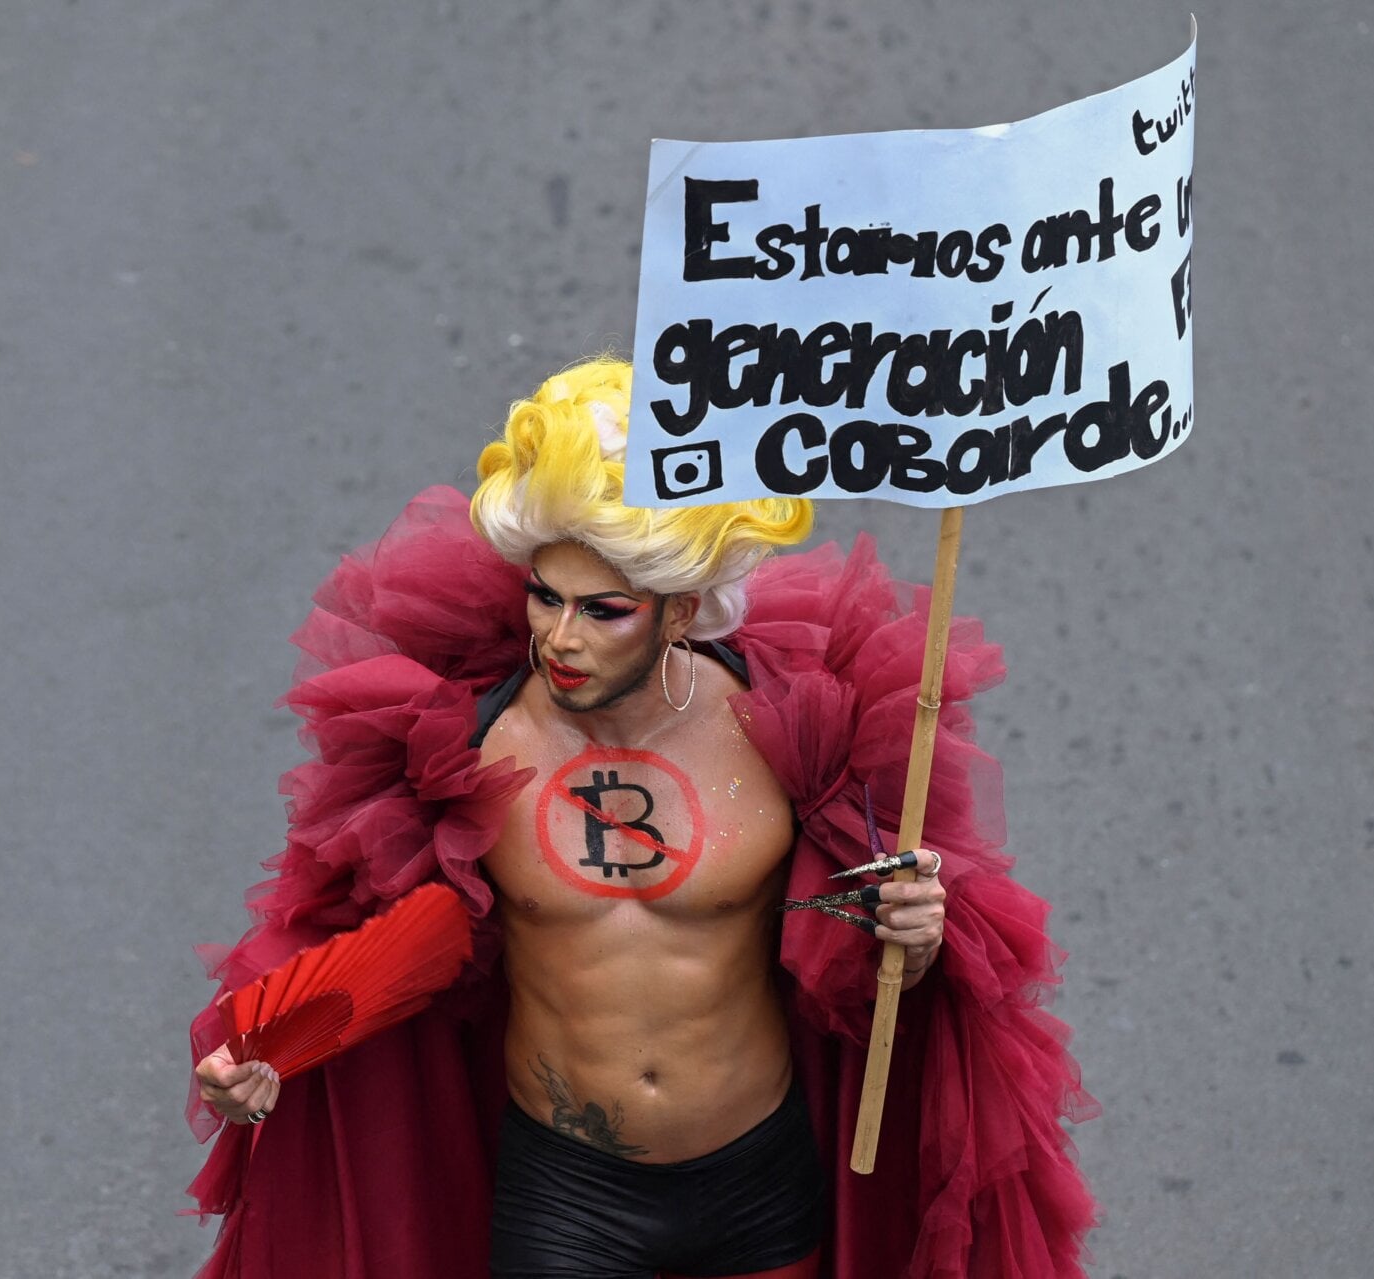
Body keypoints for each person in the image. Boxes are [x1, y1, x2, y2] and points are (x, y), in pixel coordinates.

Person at [185, 358, 1095, 1278]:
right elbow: (367, 937)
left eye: (603, 610)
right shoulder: (464, 748)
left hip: (757, 1180)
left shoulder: (794, 734)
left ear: (680, 612)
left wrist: (919, 931)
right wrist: (271, 1046)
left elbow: (871, 960)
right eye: (545, 596)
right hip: (566, 1192)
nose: (560, 636)